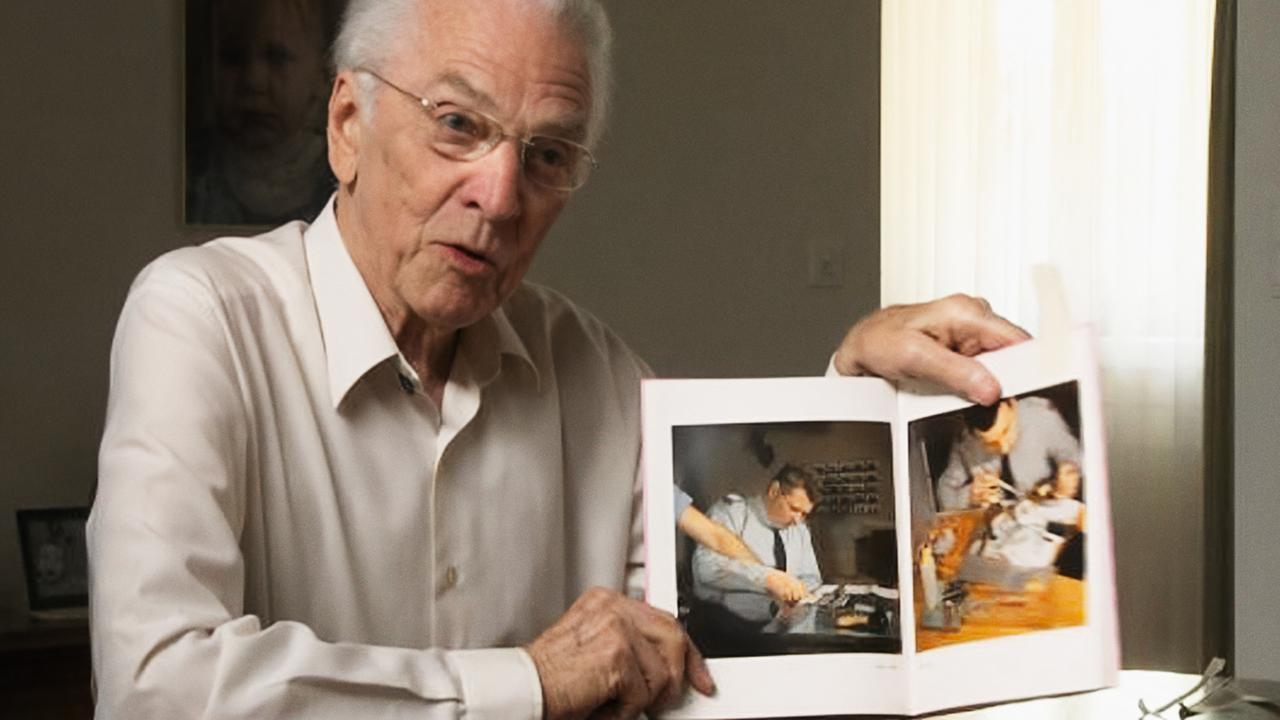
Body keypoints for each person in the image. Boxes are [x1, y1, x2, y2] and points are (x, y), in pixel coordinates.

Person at [89, 1, 1030, 718]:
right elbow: (156, 686)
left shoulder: (598, 371)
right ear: (346, 126)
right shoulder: (201, 317)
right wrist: (526, 686)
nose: (499, 196)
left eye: (545, 156)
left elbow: (708, 644)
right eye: (457, 124)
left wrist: (854, 397)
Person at [691, 465, 823, 626]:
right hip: (722, 626)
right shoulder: (731, 513)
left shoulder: (800, 529)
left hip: (780, 624)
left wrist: (795, 593)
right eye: (794, 509)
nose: (798, 520)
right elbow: (706, 569)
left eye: (804, 513)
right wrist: (767, 578)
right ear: (774, 491)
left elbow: (812, 578)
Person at [935, 396, 1082, 511]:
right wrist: (968, 496)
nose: (1004, 448)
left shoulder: (1040, 413)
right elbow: (945, 488)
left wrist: (1070, 468)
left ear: (1012, 405)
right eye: (991, 443)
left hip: (1048, 511)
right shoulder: (965, 439)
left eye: (1006, 430)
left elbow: (1074, 453)